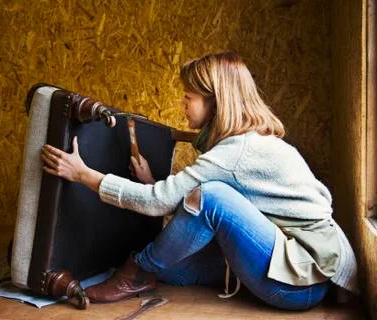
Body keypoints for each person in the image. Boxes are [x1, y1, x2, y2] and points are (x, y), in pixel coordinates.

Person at [40, 52, 359, 310]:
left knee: (212, 196)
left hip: (297, 283)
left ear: (215, 102)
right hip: (295, 265)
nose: (182, 102)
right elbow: (199, 162)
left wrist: (82, 174)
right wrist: (158, 173)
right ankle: (153, 268)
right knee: (172, 268)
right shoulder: (247, 142)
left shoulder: (237, 151)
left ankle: (138, 272)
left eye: (188, 96)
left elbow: (160, 201)